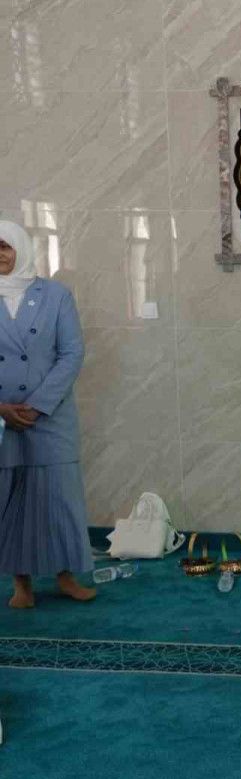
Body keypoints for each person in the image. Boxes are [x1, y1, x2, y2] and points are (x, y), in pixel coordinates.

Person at [0, 220, 93, 609]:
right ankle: (21, 584)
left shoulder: (55, 295)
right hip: (3, 420)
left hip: (50, 416)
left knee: (57, 499)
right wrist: (2, 409)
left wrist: (38, 405)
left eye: (4, 246)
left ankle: (66, 576)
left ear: (20, 248)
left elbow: (72, 353)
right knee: (11, 499)